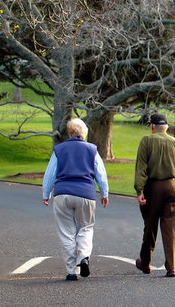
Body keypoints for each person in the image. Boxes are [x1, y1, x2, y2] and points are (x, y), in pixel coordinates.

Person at [42, 118, 109, 281]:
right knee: (85, 227)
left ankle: (72, 271)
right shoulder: (92, 149)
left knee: (67, 232)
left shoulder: (59, 149)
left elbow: (50, 173)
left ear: (69, 132)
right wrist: (104, 194)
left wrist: (46, 194)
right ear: (84, 133)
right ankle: (84, 257)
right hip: (86, 193)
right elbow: (101, 174)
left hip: (62, 193)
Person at [134, 113, 175, 277]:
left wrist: (139, 191)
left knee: (150, 226)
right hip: (173, 188)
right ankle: (171, 266)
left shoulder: (146, 140)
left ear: (152, 127)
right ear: (166, 127)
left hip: (153, 188)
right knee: (171, 229)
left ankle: (145, 263)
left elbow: (141, 169)